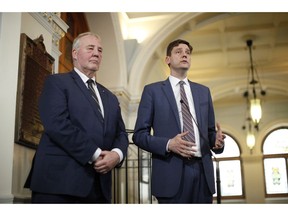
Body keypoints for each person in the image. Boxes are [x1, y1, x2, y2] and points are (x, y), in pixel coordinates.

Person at [24, 32, 129, 203]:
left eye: (100, 50)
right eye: (90, 48)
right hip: (59, 184)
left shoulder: (110, 97)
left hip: (99, 188)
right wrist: (96, 154)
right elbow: (57, 124)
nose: (97, 53)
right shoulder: (56, 82)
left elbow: (121, 134)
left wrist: (116, 155)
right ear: (74, 53)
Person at [132, 39, 226, 203]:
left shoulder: (203, 92)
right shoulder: (152, 91)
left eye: (187, 53)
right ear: (168, 60)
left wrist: (217, 142)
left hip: (203, 174)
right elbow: (139, 135)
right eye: (178, 51)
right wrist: (169, 144)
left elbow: (210, 134)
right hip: (170, 172)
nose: (184, 54)